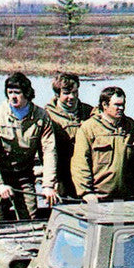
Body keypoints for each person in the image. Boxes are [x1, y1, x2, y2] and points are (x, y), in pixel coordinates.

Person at [0, 72, 57, 222]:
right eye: (10, 93)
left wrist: (48, 185)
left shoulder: (41, 116)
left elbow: (49, 152)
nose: (13, 97)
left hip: (23, 175)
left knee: (30, 218)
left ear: (27, 94)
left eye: (17, 93)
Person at [71, 87, 134, 203]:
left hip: (128, 198)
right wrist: (86, 192)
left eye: (123, 104)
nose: (121, 108)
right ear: (105, 105)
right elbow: (80, 163)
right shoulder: (88, 128)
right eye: (117, 105)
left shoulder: (131, 127)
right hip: (98, 199)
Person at [43, 71, 94, 200]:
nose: (71, 97)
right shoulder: (47, 115)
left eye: (75, 92)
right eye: (66, 93)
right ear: (57, 93)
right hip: (61, 172)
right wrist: (52, 180)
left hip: (86, 171)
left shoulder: (90, 112)